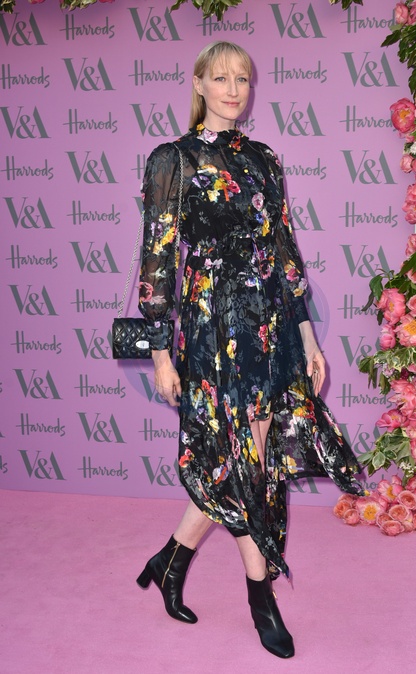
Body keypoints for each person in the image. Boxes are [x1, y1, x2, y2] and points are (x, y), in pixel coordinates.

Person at [136, 41, 364, 659]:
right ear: (199, 83)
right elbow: (157, 259)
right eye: (221, 78)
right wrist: (160, 353)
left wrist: (308, 336)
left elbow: (284, 250)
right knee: (241, 460)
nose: (234, 89)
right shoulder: (173, 160)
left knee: (250, 459)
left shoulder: (264, 158)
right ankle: (261, 597)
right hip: (212, 326)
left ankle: (171, 559)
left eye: (242, 78)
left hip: (269, 327)